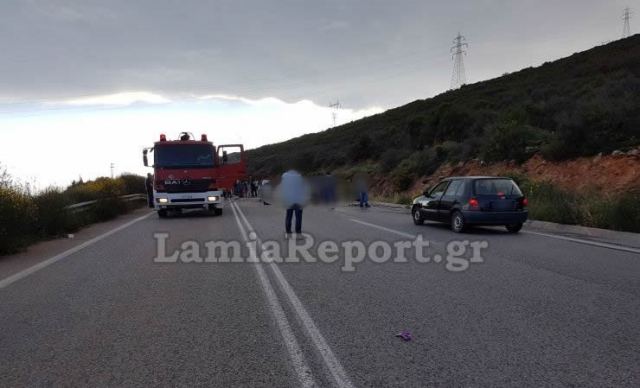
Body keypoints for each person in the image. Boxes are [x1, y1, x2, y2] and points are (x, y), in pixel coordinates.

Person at [279, 170, 310, 239]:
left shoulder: (285, 177)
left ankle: (288, 234)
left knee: (288, 217)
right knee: (298, 218)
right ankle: (298, 234)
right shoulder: (299, 177)